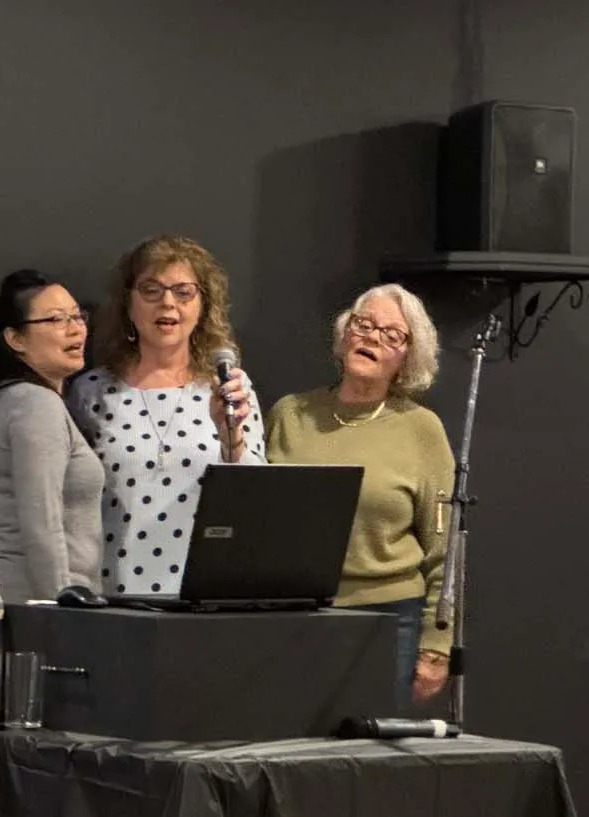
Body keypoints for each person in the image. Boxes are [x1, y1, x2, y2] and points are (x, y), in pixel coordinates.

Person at [265, 283, 454, 707]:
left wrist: (436, 643)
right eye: (363, 324)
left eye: (391, 335)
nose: (370, 337)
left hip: (388, 621)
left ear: (407, 358)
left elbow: (445, 550)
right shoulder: (290, 414)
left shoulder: (422, 429)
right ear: (343, 334)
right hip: (294, 619)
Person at [66, 236, 263, 597]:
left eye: (184, 291)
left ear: (204, 304)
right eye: (152, 290)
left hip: (206, 596)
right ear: (128, 301)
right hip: (113, 593)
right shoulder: (91, 391)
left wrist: (228, 434)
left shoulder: (229, 387)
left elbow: (253, 500)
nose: (168, 303)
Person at [0, 269, 104, 603]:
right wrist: (59, 605)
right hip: (33, 603)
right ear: (15, 339)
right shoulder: (34, 403)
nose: (75, 328)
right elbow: (41, 520)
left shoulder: (24, 399)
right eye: (56, 319)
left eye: (77, 316)